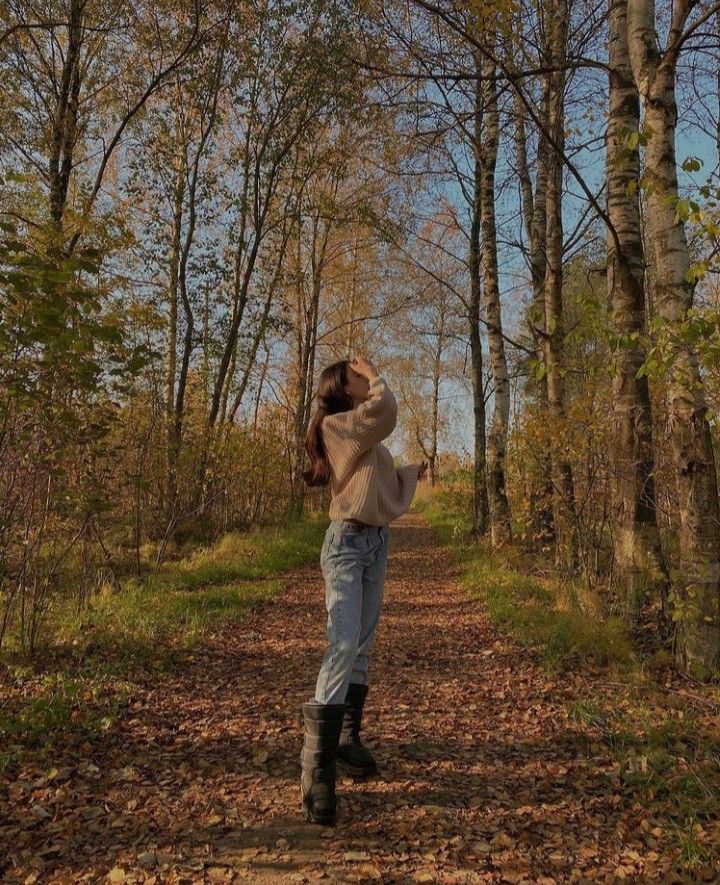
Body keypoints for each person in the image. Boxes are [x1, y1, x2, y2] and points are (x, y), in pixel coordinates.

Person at [299, 354, 427, 826]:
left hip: (375, 543)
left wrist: (409, 473)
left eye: (364, 375)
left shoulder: (361, 436)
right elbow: (385, 411)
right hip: (347, 546)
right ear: (345, 386)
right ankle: (317, 772)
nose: (365, 379)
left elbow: (379, 484)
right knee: (344, 644)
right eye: (357, 377)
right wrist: (376, 375)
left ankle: (348, 739)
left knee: (363, 648)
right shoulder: (338, 427)